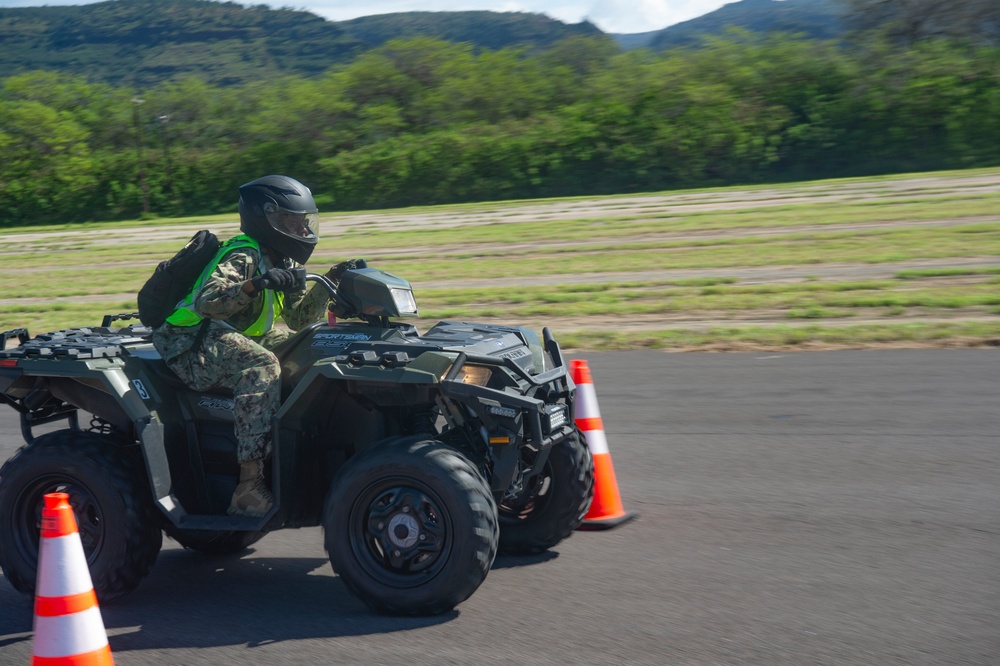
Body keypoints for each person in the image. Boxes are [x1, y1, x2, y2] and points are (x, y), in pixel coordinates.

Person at [152, 175, 359, 517]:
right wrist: (256, 284)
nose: (303, 228)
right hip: (190, 342)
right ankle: (248, 486)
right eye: (293, 221)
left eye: (305, 221)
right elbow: (209, 303)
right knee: (262, 366)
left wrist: (332, 279)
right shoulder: (243, 253)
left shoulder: (286, 260)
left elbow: (299, 319)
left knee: (318, 344)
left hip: (229, 335)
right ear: (269, 219)